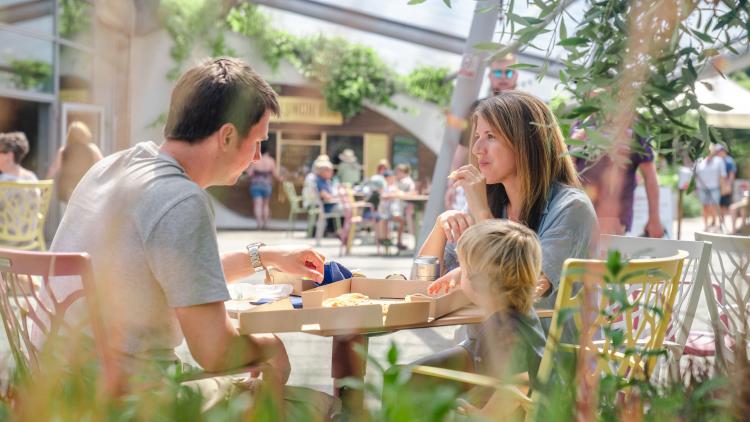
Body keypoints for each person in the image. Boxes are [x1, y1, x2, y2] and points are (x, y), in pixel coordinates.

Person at [41, 58, 336, 416]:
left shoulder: (111, 168)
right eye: (258, 142)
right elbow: (214, 350)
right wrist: (272, 346)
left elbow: (166, 274)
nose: (258, 157)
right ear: (227, 136)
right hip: (129, 399)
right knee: (325, 406)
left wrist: (266, 256)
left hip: (56, 382)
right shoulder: (180, 198)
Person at [421, 91, 597, 313]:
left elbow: (521, 294)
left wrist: (482, 214)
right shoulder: (493, 200)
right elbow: (425, 286)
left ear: (526, 141)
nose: (477, 149)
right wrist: (440, 226)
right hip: (483, 342)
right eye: (477, 137)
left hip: (542, 345)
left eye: (491, 136)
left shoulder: (571, 208)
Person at [412, 220, 546, 416]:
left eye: (462, 268)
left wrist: (483, 417)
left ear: (481, 283)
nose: (458, 273)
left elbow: (518, 385)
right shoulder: (519, 312)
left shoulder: (502, 328)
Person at [445, 54, 518, 210]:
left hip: (514, 186)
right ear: (490, 76)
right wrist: (453, 184)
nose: (503, 77)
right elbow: (463, 149)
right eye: (498, 72)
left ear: (516, 75)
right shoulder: (478, 108)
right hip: (479, 183)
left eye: (509, 72)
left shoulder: (524, 109)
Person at [572, 120, 665, 237]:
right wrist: (574, 149)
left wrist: (654, 218)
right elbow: (567, 170)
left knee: (609, 253)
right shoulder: (582, 124)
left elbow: (650, 175)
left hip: (616, 216)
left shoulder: (633, 128)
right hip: (581, 214)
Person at [46, 121, 103, 203]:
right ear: (85, 134)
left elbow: (54, 168)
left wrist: (45, 183)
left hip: (68, 189)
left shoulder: (64, 150)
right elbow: (103, 165)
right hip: (86, 187)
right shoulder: (92, 149)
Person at [695, 143, 727, 231]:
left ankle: (714, 223)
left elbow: (722, 175)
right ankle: (706, 225)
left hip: (714, 187)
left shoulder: (719, 161)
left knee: (714, 206)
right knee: (705, 207)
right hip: (702, 188)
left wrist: (723, 187)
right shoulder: (699, 161)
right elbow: (696, 175)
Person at [245, 143, 278, 229]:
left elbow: (249, 173)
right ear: (267, 151)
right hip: (267, 185)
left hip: (256, 184)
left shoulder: (255, 160)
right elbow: (275, 174)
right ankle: (266, 224)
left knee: (257, 205)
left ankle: (259, 224)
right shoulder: (271, 160)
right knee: (266, 205)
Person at [716, 144, 736, 228]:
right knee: (718, 205)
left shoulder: (729, 161)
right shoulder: (717, 160)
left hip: (725, 187)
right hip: (718, 186)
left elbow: (731, 175)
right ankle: (718, 222)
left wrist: (727, 186)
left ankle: (722, 222)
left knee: (724, 205)